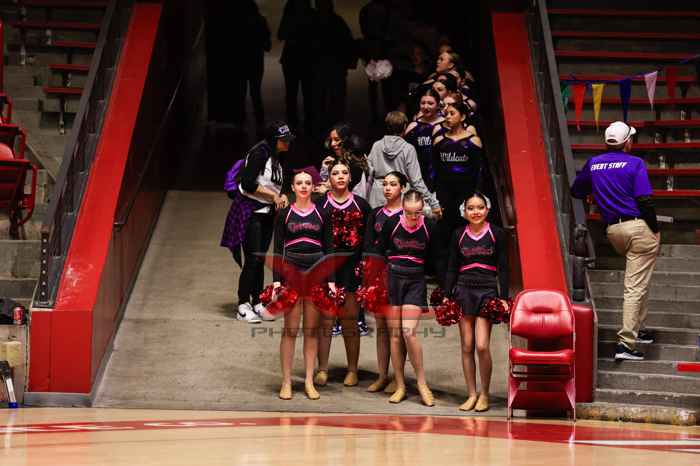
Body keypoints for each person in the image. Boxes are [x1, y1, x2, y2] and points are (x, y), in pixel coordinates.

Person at [571, 121, 660, 361]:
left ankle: (639, 329)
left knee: (640, 281)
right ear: (627, 142)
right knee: (635, 287)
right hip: (638, 228)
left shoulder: (594, 163)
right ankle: (626, 344)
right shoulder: (635, 163)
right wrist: (655, 230)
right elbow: (644, 200)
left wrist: (596, 191)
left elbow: (576, 191)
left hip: (613, 231)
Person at [220, 121, 292, 323]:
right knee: (252, 259)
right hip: (250, 212)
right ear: (274, 140)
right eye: (284, 140)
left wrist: (281, 195)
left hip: (266, 212)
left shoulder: (277, 155)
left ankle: (257, 301)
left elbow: (275, 183)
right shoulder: (259, 153)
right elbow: (248, 184)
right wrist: (273, 196)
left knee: (260, 259)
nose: (287, 143)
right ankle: (243, 305)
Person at [444, 192, 509, 413]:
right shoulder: (458, 234)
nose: (476, 212)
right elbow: (452, 266)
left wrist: (503, 297)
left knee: (482, 345)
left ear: (487, 209)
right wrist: (447, 294)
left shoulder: (496, 233)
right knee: (467, 345)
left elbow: (503, 267)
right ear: (464, 212)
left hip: (487, 290)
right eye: (471, 208)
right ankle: (471, 394)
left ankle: (484, 394)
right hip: (463, 290)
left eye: (480, 207)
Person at [273, 170, 333, 400]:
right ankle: (286, 381)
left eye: (308, 183)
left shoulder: (323, 213)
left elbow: (329, 248)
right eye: (299, 183)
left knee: (311, 330)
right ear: (293, 187)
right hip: (292, 274)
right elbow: (278, 250)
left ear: (313, 186)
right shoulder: (284, 214)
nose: (304, 186)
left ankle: (309, 380)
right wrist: (277, 280)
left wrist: (331, 281)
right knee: (290, 329)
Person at [375, 190, 437, 406]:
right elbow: (379, 251)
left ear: (422, 209)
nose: (413, 217)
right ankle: (400, 385)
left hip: (415, 281)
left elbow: (436, 258)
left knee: (409, 332)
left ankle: (422, 383)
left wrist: (445, 290)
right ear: (402, 208)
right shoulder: (392, 223)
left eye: (417, 213)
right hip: (393, 280)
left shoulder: (429, 226)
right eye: (409, 212)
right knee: (394, 335)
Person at [315, 160, 372, 387]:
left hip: (352, 268)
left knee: (350, 319)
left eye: (344, 172)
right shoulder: (320, 205)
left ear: (350, 177)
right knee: (326, 320)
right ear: (328, 178)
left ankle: (352, 369)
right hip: (327, 268)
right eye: (335, 173)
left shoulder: (362, 205)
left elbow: (368, 240)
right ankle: (322, 369)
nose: (340, 176)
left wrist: (365, 269)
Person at [362, 171, 406, 393]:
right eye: (385, 184)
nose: (388, 188)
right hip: (378, 273)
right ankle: (382, 375)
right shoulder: (376, 213)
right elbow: (368, 245)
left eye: (393, 184)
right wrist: (369, 277)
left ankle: (399, 378)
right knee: (381, 327)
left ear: (403, 188)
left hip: (400, 275)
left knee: (396, 329)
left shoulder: (408, 214)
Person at [366, 111, 441, 217]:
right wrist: (433, 203)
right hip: (399, 196)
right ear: (405, 126)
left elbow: (368, 175)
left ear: (387, 126)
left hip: (378, 195)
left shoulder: (376, 146)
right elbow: (416, 181)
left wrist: (365, 198)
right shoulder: (408, 149)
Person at [311, 0, 355, 141]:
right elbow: (348, 42)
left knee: (321, 99)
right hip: (335, 67)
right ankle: (335, 127)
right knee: (335, 99)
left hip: (322, 67)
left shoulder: (313, 22)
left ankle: (322, 127)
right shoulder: (337, 21)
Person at [230, 0, 271, 134]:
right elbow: (267, 45)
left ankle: (240, 121)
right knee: (256, 93)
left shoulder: (237, 23)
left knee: (240, 93)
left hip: (241, 62)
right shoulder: (261, 21)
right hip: (256, 62)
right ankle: (260, 121)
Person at [278, 0, 318, 134]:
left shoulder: (290, 14)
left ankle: (293, 122)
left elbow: (280, 34)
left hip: (291, 59)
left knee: (291, 93)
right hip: (307, 60)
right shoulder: (312, 14)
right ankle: (309, 123)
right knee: (308, 93)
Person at [359, 0, 393, 122]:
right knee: (384, 84)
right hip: (381, 48)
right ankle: (385, 112)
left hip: (375, 48)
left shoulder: (366, 9)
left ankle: (377, 114)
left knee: (375, 84)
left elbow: (363, 29)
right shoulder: (386, 9)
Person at [404, 87, 444, 190]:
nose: (426, 106)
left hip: (443, 176)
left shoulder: (446, 125)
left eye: (430, 103)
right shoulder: (413, 127)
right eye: (423, 103)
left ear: (438, 105)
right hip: (420, 177)